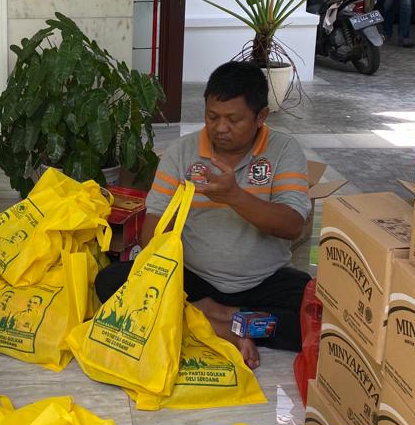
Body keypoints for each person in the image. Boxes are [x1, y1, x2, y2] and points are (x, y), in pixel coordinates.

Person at [95, 62, 312, 369]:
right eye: (212, 117)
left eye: (233, 119)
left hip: (262, 282)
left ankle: (211, 318)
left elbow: (292, 225)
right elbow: (151, 233)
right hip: (193, 277)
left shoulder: (283, 150)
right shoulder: (182, 152)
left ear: (261, 117)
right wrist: (174, 216)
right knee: (111, 282)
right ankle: (225, 324)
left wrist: (234, 196)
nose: (220, 128)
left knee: (315, 316)